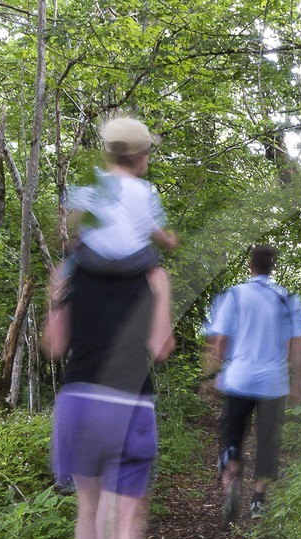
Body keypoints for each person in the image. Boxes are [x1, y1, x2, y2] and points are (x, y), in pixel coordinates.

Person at [45, 214, 168, 539]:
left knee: (88, 509)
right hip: (129, 402)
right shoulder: (153, 275)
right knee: (119, 520)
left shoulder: (67, 270)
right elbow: (160, 346)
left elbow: (55, 345)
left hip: (78, 401)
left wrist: (60, 305)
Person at [200, 244, 301, 522]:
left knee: (233, 434)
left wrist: (212, 374)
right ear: (272, 268)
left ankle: (232, 476)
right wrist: (299, 380)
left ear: (251, 266)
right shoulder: (287, 299)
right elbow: (299, 344)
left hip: (239, 379)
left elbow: (220, 343)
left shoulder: (234, 296)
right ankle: (258, 501)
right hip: (273, 383)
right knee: (267, 442)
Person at [63, 115, 177, 364]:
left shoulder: (92, 185)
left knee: (71, 259)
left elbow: (74, 219)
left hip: (92, 262)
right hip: (133, 265)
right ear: (141, 156)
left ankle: (60, 304)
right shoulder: (145, 192)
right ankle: (158, 335)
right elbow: (151, 228)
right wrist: (167, 240)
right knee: (156, 271)